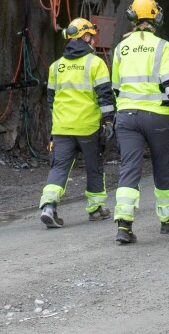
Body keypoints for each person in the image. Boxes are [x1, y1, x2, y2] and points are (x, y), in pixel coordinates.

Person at [111, 0, 169, 244]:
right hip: (158, 117)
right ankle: (166, 220)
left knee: (129, 168)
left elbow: (116, 87)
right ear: (157, 17)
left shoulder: (121, 48)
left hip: (127, 116)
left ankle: (124, 224)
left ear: (132, 17)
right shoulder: (163, 47)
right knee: (162, 166)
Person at [39, 18, 116, 228]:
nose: (92, 39)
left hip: (62, 127)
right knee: (94, 167)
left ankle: (48, 206)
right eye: (90, 35)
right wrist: (108, 122)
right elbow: (105, 97)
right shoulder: (96, 63)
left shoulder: (56, 67)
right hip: (88, 127)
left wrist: (57, 125)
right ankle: (96, 208)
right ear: (84, 37)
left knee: (59, 167)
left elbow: (51, 101)